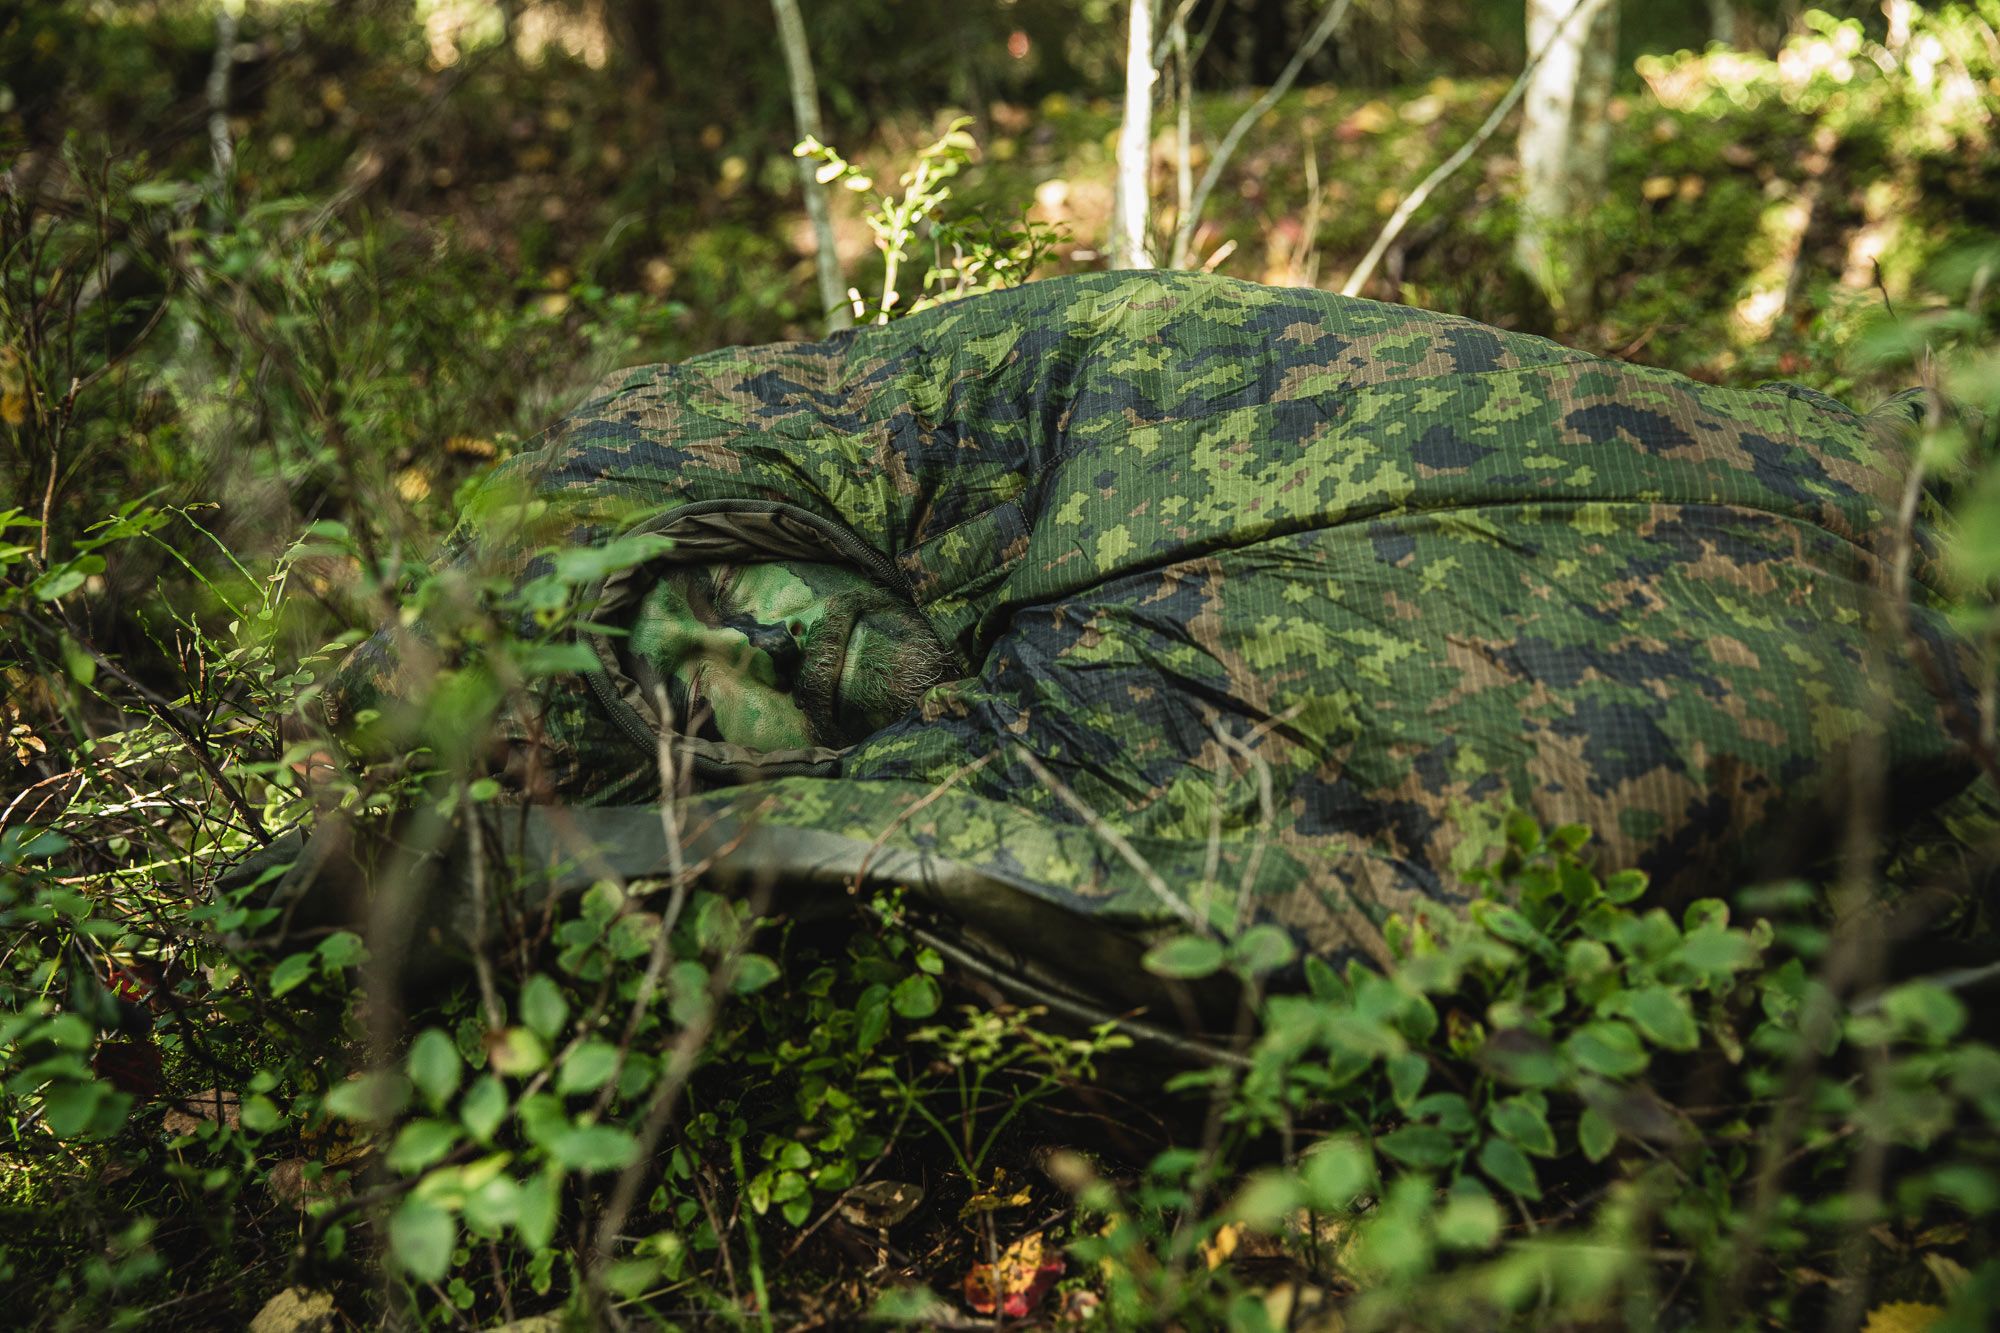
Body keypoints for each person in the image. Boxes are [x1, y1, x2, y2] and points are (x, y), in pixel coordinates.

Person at [287, 271, 1984, 1020]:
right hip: (1093, 510)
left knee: (1484, 496)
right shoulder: (619, 523)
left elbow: (854, 662)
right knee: (1480, 693)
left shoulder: (648, 470)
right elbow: (830, 688)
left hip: (1092, 421)